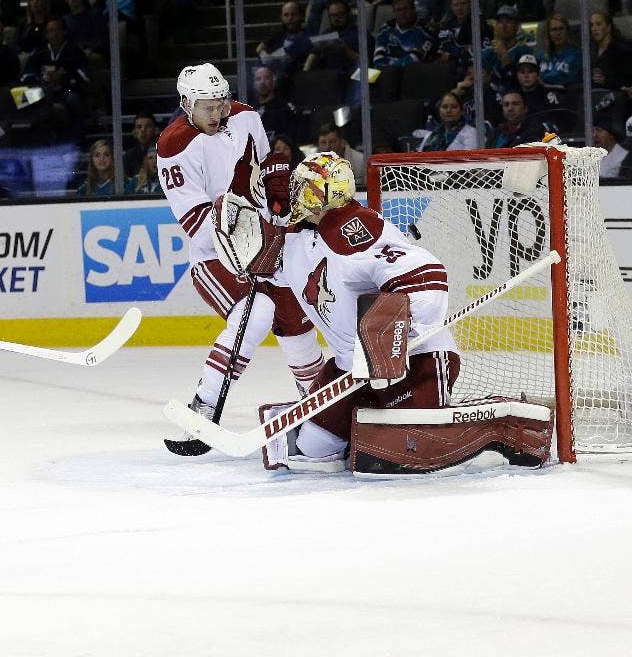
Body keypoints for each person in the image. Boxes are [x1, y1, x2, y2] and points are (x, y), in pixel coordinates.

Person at [213, 151, 549, 475]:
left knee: (402, 447)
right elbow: (267, 261)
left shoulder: (353, 229)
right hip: (351, 368)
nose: (295, 195)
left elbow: (425, 274)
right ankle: (363, 424)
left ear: (316, 194)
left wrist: (391, 334)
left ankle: (502, 422)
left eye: (301, 187)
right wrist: (246, 233)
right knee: (315, 450)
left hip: (415, 359)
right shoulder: (299, 241)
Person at [158, 63, 324, 448]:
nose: (217, 113)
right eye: (207, 107)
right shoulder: (174, 146)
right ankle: (203, 410)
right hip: (215, 256)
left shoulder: (247, 116)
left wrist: (279, 198)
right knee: (258, 313)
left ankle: (318, 406)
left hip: (267, 244)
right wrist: (248, 246)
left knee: (297, 322)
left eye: (221, 103)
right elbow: (197, 221)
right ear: (186, 104)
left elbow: (265, 169)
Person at [255, 1, 313, 82]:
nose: (290, 18)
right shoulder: (277, 35)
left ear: (301, 16)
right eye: (286, 15)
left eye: (294, 14)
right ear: (281, 18)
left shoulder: (308, 37)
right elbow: (259, 50)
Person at [372, 0, 435, 68]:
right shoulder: (386, 28)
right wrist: (382, 67)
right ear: (394, 12)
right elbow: (378, 54)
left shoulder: (426, 30)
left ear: (414, 9)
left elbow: (415, 58)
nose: (402, 13)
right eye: (398, 10)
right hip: (384, 70)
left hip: (409, 72)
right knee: (359, 76)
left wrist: (389, 67)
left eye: (406, 9)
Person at [590, 11, 632, 94]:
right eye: (591, 25)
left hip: (617, 96)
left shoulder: (623, 51)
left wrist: (606, 81)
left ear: (608, 27)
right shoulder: (590, 51)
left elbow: (628, 82)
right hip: (594, 95)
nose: (594, 28)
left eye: (598, 24)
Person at [537, 14, 582, 89]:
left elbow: (577, 84)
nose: (558, 33)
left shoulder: (577, 55)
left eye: (561, 29)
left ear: (567, 31)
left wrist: (551, 86)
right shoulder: (541, 56)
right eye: (554, 29)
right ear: (548, 33)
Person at [123, 111, 160, 178]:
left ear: (155, 130)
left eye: (148, 126)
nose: (143, 130)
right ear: (134, 132)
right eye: (139, 127)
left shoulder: (164, 153)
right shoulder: (128, 157)